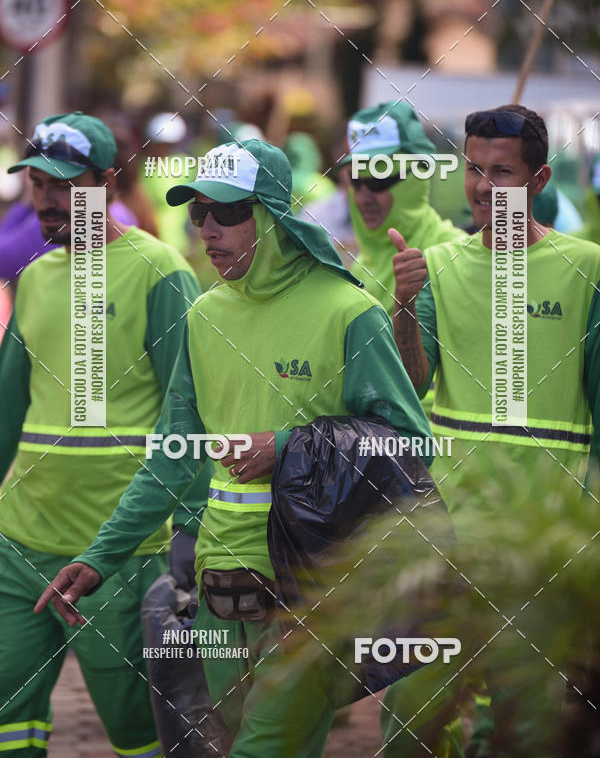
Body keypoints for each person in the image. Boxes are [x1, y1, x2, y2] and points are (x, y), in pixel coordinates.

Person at [36, 138, 433, 757]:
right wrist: (98, 559)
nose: (208, 230)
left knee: (260, 748)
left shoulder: (350, 312)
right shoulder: (203, 316)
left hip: (312, 587)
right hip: (220, 584)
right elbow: (171, 457)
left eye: (226, 213)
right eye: (197, 214)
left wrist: (287, 446)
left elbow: (409, 444)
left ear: (271, 214)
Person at [384, 104, 600, 756]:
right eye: (474, 170)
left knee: (523, 732)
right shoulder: (440, 267)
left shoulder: (587, 269)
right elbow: (412, 380)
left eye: (500, 172)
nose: (482, 187)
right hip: (448, 537)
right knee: (409, 722)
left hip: (545, 546)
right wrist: (401, 306)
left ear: (538, 182)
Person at [0, 112, 206, 758]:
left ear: (107, 181)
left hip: (121, 548)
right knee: (9, 709)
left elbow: (190, 414)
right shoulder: (33, 277)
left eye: (66, 184)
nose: (49, 199)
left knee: (137, 726)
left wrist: (190, 534)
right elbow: (7, 410)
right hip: (21, 541)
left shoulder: (160, 271)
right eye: (37, 182)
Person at [341, 100, 463, 316]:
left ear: (414, 182)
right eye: (356, 183)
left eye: (378, 182)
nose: (362, 199)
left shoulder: (454, 256)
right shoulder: (359, 268)